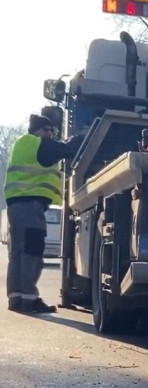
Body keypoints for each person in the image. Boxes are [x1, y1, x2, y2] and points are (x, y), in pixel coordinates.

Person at [4, 114, 83, 314]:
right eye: (46, 130)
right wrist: (81, 136)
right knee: (32, 251)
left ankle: (16, 298)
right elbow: (65, 149)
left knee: (19, 253)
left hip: (17, 204)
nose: (49, 134)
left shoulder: (23, 144)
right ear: (37, 130)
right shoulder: (38, 144)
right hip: (29, 204)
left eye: (51, 131)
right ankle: (30, 299)